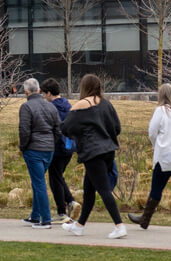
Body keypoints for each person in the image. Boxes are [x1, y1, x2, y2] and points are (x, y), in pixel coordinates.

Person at [60, 74, 128, 239]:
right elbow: (117, 127)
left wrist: (80, 135)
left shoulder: (81, 105)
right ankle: (79, 226)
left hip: (92, 152)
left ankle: (119, 226)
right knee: (89, 190)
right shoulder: (106, 104)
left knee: (103, 190)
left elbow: (66, 127)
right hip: (108, 150)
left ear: (84, 87)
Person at [128, 84, 171, 229]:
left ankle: (145, 219)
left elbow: (152, 132)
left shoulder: (160, 111)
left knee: (156, 189)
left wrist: (155, 144)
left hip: (164, 157)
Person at [17, 77, 61, 229]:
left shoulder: (26, 107)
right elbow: (58, 129)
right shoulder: (50, 106)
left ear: (26, 92)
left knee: (39, 183)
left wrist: (23, 146)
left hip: (33, 149)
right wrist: (51, 143)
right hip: (48, 149)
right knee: (39, 181)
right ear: (39, 90)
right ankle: (35, 216)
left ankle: (46, 219)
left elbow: (24, 130)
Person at [40, 79, 79, 222]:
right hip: (69, 146)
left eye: (44, 94)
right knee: (58, 177)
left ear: (49, 93)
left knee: (54, 179)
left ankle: (64, 209)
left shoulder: (51, 108)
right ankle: (69, 203)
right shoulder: (67, 105)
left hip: (56, 147)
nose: (44, 97)